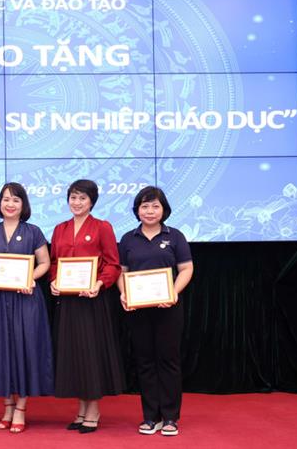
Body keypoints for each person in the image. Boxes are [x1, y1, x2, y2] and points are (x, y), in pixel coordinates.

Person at [49, 179, 125, 434]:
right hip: (68, 302)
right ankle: (81, 410)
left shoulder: (102, 227)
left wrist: (100, 284)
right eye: (73, 197)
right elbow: (54, 263)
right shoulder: (60, 229)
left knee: (90, 355)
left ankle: (93, 411)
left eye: (82, 198)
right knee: (74, 355)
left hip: (92, 301)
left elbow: (113, 264)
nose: (77, 202)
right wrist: (54, 281)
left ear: (92, 201)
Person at [117, 186, 193, 437]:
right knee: (145, 361)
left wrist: (173, 292)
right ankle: (151, 417)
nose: (149, 211)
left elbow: (186, 269)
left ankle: (170, 417)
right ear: (137, 210)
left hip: (168, 308)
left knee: (168, 360)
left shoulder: (175, 236)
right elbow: (122, 272)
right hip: (138, 309)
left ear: (164, 209)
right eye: (145, 206)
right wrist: (124, 293)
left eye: (155, 206)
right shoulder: (128, 239)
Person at [0, 182, 54, 434]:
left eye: (15, 200)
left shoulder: (33, 232)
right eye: (5, 199)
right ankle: (7, 407)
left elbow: (45, 262)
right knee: (1, 351)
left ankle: (21, 408)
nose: (10, 204)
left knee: (24, 350)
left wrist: (30, 278)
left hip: (26, 301)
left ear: (23, 205)